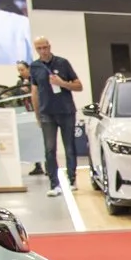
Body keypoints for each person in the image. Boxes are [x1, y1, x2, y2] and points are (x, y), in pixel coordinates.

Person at [30, 36, 83, 198]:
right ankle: (54, 184)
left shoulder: (63, 63)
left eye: (45, 47)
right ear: (36, 49)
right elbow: (34, 92)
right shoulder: (35, 66)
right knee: (50, 149)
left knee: (69, 147)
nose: (43, 51)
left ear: (49, 46)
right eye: (39, 48)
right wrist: (37, 114)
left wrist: (62, 83)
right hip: (47, 113)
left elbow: (79, 86)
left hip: (66, 111)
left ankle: (71, 180)